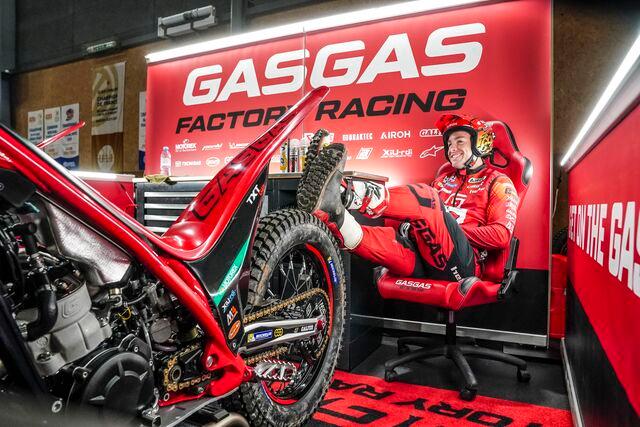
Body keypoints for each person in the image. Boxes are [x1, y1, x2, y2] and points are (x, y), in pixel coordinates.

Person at [297, 114, 519, 282]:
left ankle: (345, 192)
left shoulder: (498, 182)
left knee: (428, 198)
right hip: (426, 257)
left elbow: (500, 236)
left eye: (459, 141)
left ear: (481, 143)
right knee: (384, 240)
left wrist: (449, 227)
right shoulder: (443, 180)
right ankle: (332, 213)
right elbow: (417, 217)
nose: (452, 149)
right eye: (450, 144)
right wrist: (414, 228)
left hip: (462, 267)